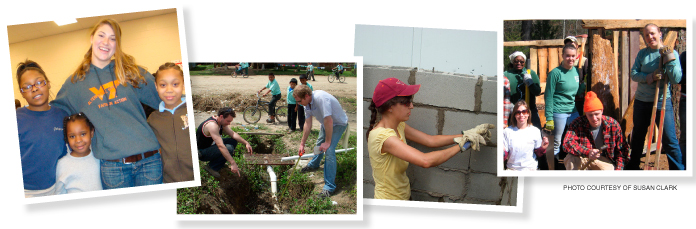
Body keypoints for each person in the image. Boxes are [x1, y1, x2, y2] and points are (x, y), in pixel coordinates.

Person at [52, 19, 164, 189]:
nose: (106, 42)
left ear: (117, 45)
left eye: (113, 38)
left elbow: (166, 99)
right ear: (91, 38)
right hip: (113, 168)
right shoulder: (75, 83)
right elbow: (53, 114)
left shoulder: (131, 72)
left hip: (149, 161)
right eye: (101, 35)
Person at [366, 78, 493, 200]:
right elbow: (425, 161)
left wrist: (466, 134)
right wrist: (462, 145)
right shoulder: (381, 137)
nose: (411, 106)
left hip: (403, 197)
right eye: (406, 102)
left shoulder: (398, 125)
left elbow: (430, 140)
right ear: (389, 106)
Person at [627, 23, 683, 170]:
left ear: (660, 34)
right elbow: (634, 74)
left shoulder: (672, 53)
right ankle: (633, 167)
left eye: (652, 33)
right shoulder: (642, 54)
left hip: (662, 102)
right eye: (646, 35)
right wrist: (649, 76)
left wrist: (669, 60)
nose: (650, 37)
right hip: (642, 101)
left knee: (669, 139)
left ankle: (678, 171)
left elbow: (676, 79)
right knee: (638, 136)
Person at [16, 60, 68, 197]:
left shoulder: (62, 116)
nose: (34, 88)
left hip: (56, 187)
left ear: (48, 83)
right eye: (27, 87)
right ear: (22, 93)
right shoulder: (16, 118)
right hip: (25, 191)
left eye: (39, 82)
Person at [294, 85, 348, 198]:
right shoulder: (306, 103)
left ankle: (329, 187)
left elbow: (329, 120)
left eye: (299, 101)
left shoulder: (321, 98)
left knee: (328, 150)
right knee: (319, 144)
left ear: (307, 96)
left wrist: (328, 142)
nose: (298, 103)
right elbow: (308, 124)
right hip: (326, 124)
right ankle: (314, 164)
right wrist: (302, 143)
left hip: (338, 123)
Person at [147, 63, 194, 183]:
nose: (169, 90)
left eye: (175, 84)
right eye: (163, 85)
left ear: (183, 84)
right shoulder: (152, 119)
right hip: (169, 181)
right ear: (156, 86)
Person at [562, 91, 630, 170]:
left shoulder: (613, 124)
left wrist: (619, 170)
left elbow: (622, 151)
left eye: (597, 114)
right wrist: (587, 152)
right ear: (585, 114)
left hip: (605, 161)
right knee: (570, 158)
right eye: (590, 115)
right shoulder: (577, 123)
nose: (594, 118)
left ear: (602, 111)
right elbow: (566, 143)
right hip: (583, 157)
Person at [545, 43, 581, 162]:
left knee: (577, 136)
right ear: (562, 56)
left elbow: (574, 92)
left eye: (573, 56)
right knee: (557, 141)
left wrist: (583, 85)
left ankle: (572, 163)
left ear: (576, 56)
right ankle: (553, 165)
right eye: (568, 56)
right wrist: (549, 117)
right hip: (558, 110)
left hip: (573, 110)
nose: (570, 58)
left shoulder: (575, 71)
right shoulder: (555, 73)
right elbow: (548, 95)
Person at [196, 108, 253, 178]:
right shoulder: (212, 125)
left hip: (210, 146)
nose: (229, 123)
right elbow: (220, 146)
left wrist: (246, 143)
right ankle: (212, 167)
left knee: (232, 141)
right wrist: (233, 163)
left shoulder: (220, 122)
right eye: (228, 121)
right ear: (221, 116)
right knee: (229, 148)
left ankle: (219, 162)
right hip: (202, 152)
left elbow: (232, 133)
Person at [56, 112, 103, 194]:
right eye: (72, 136)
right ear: (67, 138)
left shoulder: (99, 157)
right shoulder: (62, 164)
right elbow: (59, 192)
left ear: (91, 133)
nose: (78, 140)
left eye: (83, 134)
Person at [503, 101, 549, 171]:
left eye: (524, 112)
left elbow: (539, 154)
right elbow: (503, 156)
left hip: (531, 169)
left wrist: (543, 148)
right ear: (514, 115)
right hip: (512, 169)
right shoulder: (507, 131)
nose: (521, 115)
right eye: (518, 113)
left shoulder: (535, 131)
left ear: (528, 114)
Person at [503, 51, 542, 129]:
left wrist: (531, 84)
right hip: (513, 111)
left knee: (537, 132)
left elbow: (537, 92)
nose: (519, 63)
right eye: (516, 61)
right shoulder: (506, 74)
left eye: (521, 61)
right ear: (512, 62)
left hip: (530, 109)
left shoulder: (530, 73)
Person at [564, 36, 590, 115]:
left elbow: (588, 76)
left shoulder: (584, 61)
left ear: (577, 46)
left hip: (580, 98)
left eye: (572, 44)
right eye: (567, 44)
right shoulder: (564, 62)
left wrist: (583, 85)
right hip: (567, 97)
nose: (570, 46)